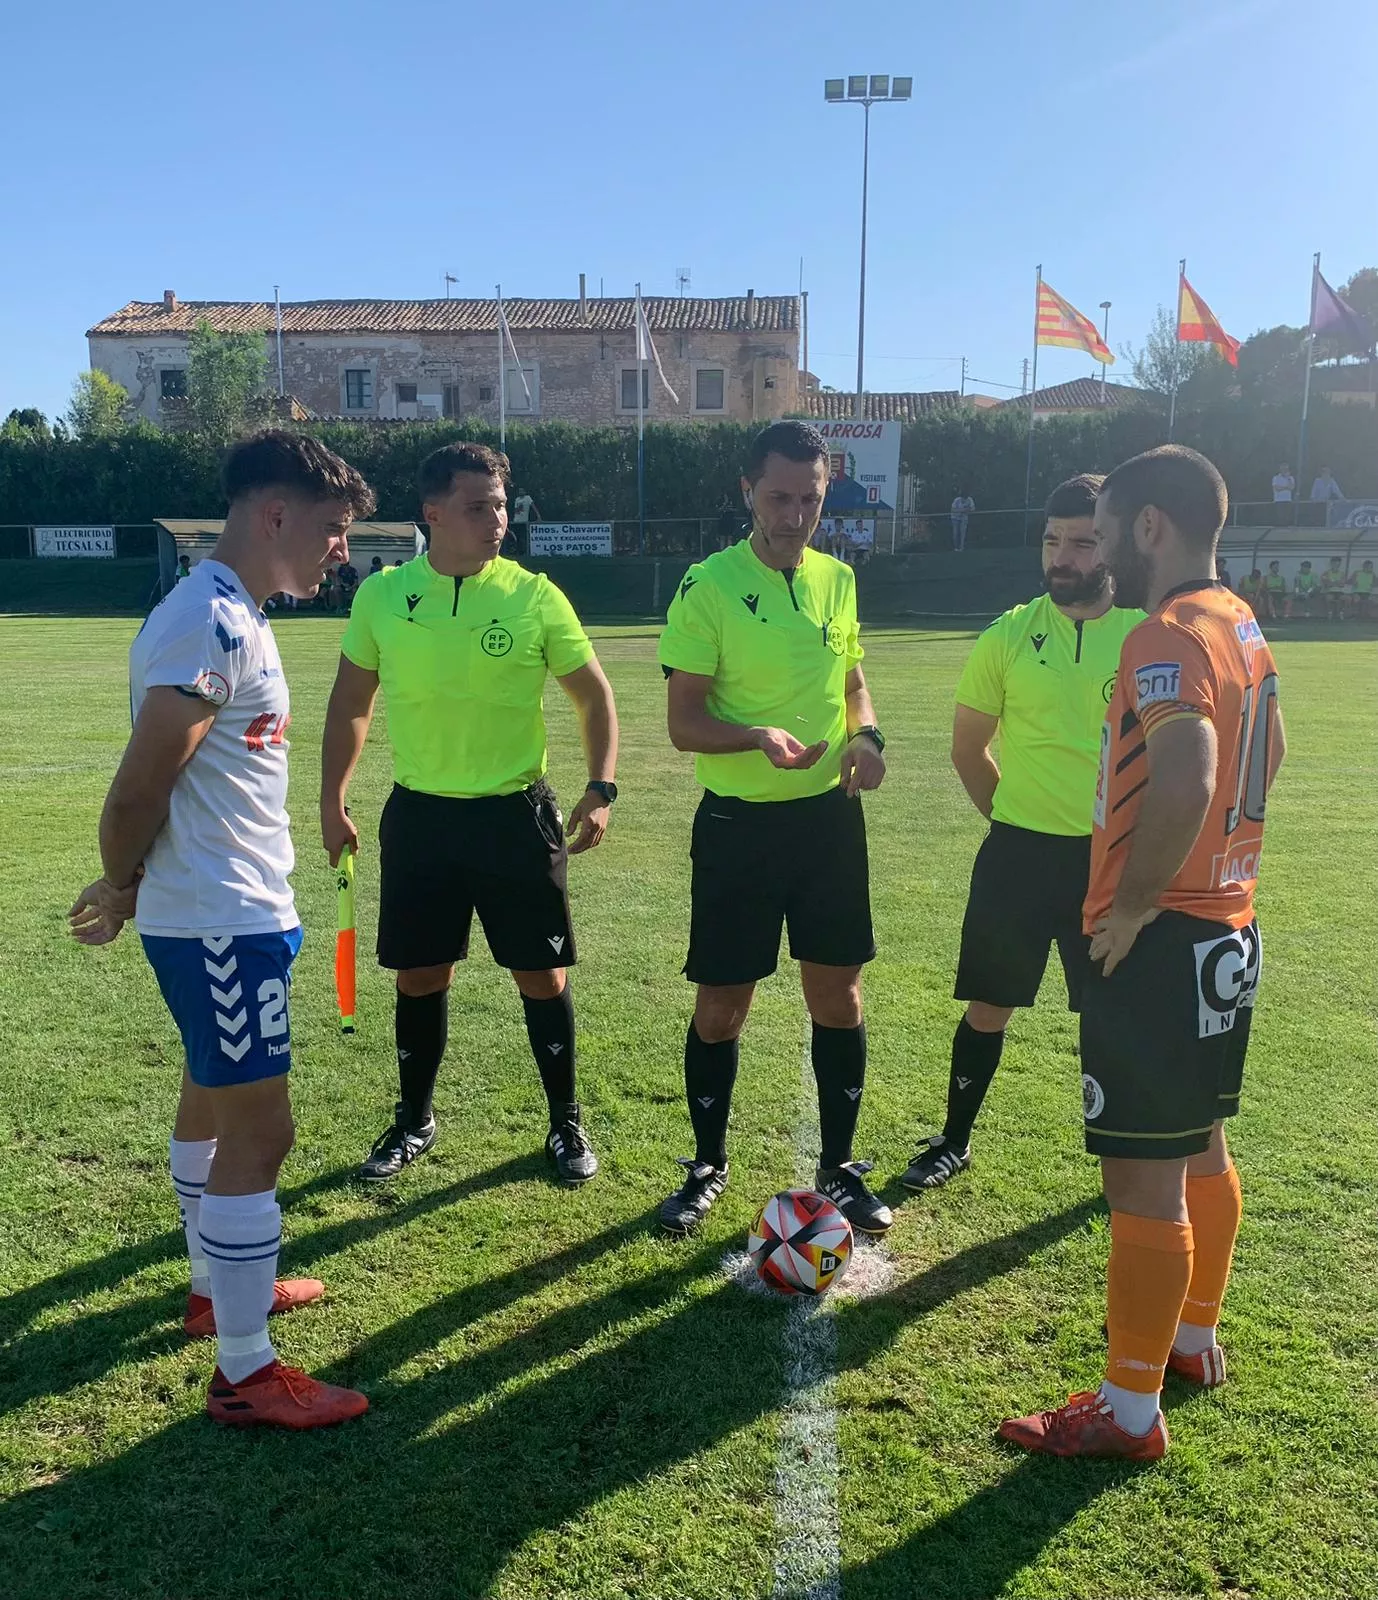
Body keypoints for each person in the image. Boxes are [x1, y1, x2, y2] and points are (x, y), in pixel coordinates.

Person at [68, 430, 376, 1429]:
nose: (342, 550)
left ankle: (216, 1288)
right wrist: (119, 885)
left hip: (236, 914)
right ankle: (244, 1372)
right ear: (273, 514)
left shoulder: (234, 613)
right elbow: (138, 785)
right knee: (262, 1132)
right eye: (332, 530)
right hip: (218, 923)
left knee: (208, 1096)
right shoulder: (208, 621)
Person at [1001, 444, 1285, 1460]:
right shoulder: (1240, 623)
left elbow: (1187, 771)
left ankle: (1126, 1411)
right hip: (1228, 929)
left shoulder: (1162, 632)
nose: (1101, 541)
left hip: (1166, 935)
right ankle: (1194, 1343)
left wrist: (1129, 905)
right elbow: (1271, 751)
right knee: (1200, 1141)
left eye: (1111, 523)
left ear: (1150, 526)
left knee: (1139, 1179)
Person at [321, 443, 619, 1186]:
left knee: (542, 976)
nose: (497, 522)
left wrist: (602, 784)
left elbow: (594, 696)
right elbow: (352, 703)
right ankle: (414, 1120)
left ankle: (564, 1122)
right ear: (432, 513)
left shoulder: (533, 596)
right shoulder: (383, 597)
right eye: (478, 506)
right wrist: (331, 798)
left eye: (500, 505)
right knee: (421, 977)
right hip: (421, 819)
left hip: (515, 818)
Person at [655, 420, 891, 1237]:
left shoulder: (837, 580)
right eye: (780, 497)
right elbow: (683, 723)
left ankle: (840, 1167)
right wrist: (756, 737)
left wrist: (866, 736)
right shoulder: (708, 586)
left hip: (829, 824)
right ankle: (706, 1164)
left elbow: (854, 680)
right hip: (738, 828)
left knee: (839, 993)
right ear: (747, 492)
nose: (795, 516)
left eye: (811, 499)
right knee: (723, 1005)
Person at [903, 475, 1143, 1191]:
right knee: (988, 1005)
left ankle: (1128, 1158)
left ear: (1111, 545)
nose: (1062, 557)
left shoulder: (1144, 635)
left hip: (1109, 865)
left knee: (1112, 1017)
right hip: (1016, 854)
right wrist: (1015, 819)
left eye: (1082, 541)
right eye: (1052, 541)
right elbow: (967, 749)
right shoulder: (1008, 635)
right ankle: (953, 1140)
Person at [511, 487, 541, 554]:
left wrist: (538, 516)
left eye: (522, 491)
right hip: (516, 521)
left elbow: (533, 507)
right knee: (517, 537)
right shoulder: (517, 499)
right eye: (519, 491)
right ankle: (518, 551)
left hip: (524, 521)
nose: (520, 492)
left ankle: (524, 551)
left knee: (523, 536)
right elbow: (516, 510)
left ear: (525, 491)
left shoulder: (528, 498)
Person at [1322, 555, 1347, 620]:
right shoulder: (1326, 573)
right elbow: (1326, 584)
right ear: (1331, 563)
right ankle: (1329, 613)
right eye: (1334, 563)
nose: (1336, 565)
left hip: (1339, 592)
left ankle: (1341, 613)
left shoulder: (1342, 573)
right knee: (1328, 598)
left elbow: (1342, 585)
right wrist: (1337, 582)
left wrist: (1332, 582)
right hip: (1330, 591)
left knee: (1347, 598)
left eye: (1338, 563)